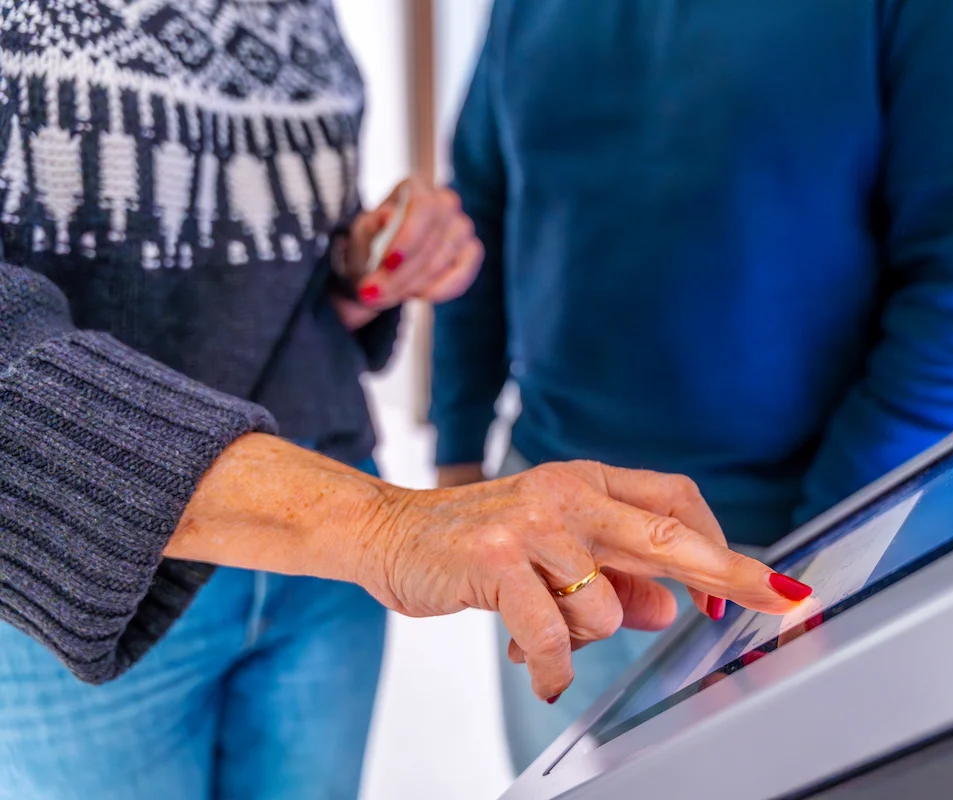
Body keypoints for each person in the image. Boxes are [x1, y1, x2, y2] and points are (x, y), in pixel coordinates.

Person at [0, 3, 805, 798]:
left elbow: (264, 280)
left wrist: (357, 271)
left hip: (323, 556)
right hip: (84, 567)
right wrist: (385, 524)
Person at [431, 0, 953, 772]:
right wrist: (458, 455)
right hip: (557, 531)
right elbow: (476, 215)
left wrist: (828, 563)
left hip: (797, 545)